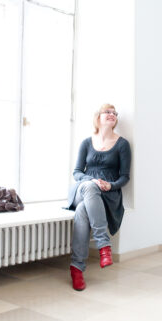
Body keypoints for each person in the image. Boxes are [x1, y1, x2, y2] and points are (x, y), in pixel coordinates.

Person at [66, 103, 131, 291]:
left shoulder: (122, 144)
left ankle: (76, 268)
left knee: (82, 211)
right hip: (83, 189)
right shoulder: (87, 142)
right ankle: (104, 244)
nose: (112, 115)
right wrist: (92, 181)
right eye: (107, 112)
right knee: (88, 187)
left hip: (107, 195)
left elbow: (125, 177)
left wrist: (111, 185)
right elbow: (77, 172)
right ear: (98, 117)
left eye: (114, 113)